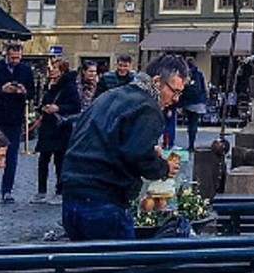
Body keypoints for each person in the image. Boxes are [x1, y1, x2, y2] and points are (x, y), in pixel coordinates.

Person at [60, 54, 186, 241]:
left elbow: (108, 141)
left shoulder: (111, 96)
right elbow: (137, 154)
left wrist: (149, 153)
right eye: (174, 91)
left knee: (84, 268)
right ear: (157, 81)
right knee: (117, 268)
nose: (175, 99)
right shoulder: (148, 107)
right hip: (105, 200)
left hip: (72, 196)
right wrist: (163, 167)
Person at [0, 43, 36, 202]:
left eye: (18, 57)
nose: (15, 60)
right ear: (6, 55)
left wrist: (23, 92)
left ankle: (7, 190)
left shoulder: (25, 70)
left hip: (15, 118)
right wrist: (1, 90)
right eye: (12, 57)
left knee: (12, 156)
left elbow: (32, 92)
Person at [32, 59, 82, 204]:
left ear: (62, 70)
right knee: (43, 160)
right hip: (48, 126)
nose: (51, 70)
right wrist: (43, 108)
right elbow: (42, 102)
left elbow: (75, 106)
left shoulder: (69, 86)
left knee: (59, 161)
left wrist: (58, 108)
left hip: (61, 128)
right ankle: (41, 192)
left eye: (55, 68)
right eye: (51, 67)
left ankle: (60, 191)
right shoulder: (49, 84)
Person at [180, 57, 208, 151]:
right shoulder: (199, 74)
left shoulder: (185, 74)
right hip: (198, 102)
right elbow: (203, 88)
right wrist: (204, 100)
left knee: (189, 123)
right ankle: (192, 143)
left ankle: (190, 143)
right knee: (194, 123)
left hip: (188, 102)